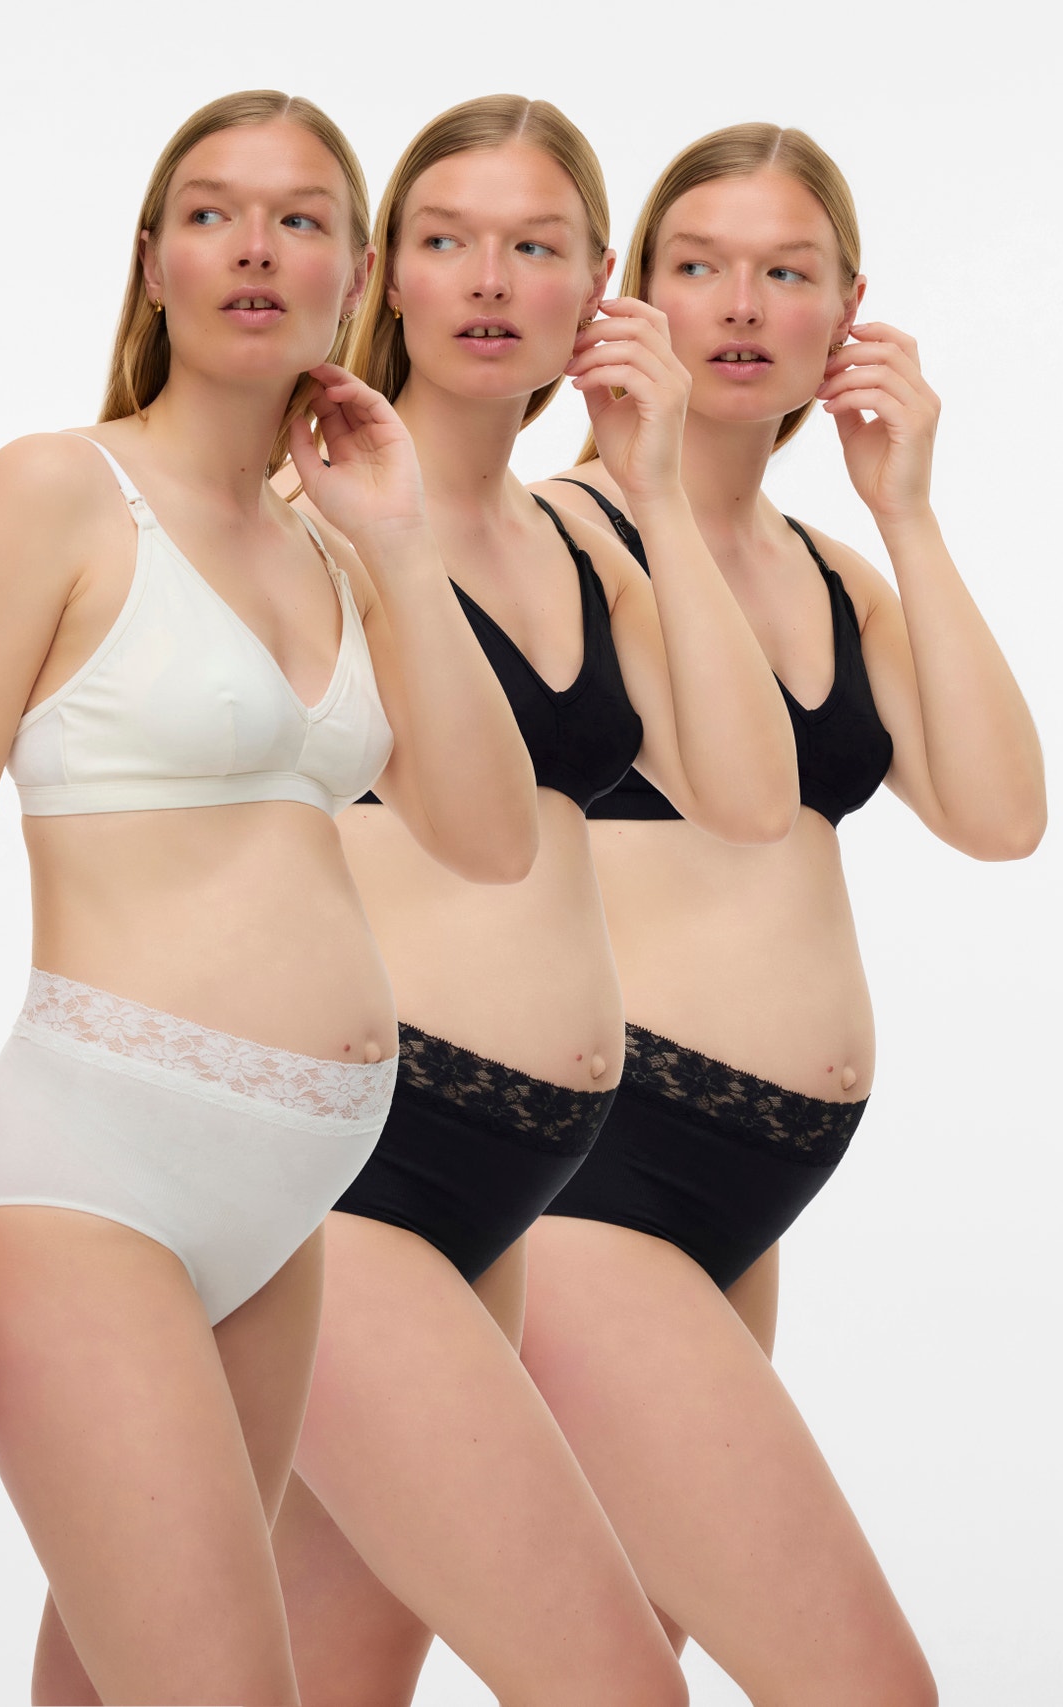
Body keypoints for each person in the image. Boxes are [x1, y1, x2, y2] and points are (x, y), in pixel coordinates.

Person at [0, 89, 541, 1707]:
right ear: (153, 256)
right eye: (215, 212)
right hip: (89, 1178)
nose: (255, 248)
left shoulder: (336, 544)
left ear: (356, 275)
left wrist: (400, 541)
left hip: (280, 1209)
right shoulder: (55, 491)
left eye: (302, 220)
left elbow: (492, 837)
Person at [270, 96, 797, 1707]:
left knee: (315, 1682)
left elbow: (750, 796)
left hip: (506, 1190)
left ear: (599, 287)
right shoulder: (310, 525)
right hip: (350, 1177)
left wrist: (656, 483)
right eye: (448, 241)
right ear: (388, 276)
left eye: (536, 246)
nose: (491, 281)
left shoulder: (584, 549)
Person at [522, 121, 1046, 1705]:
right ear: (630, 295)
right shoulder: (556, 536)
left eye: (788, 272)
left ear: (850, 312)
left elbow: (1003, 816)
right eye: (700, 267)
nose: (743, 306)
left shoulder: (833, 572)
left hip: (740, 1201)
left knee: (630, 1660)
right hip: (590, 1181)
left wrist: (907, 512)